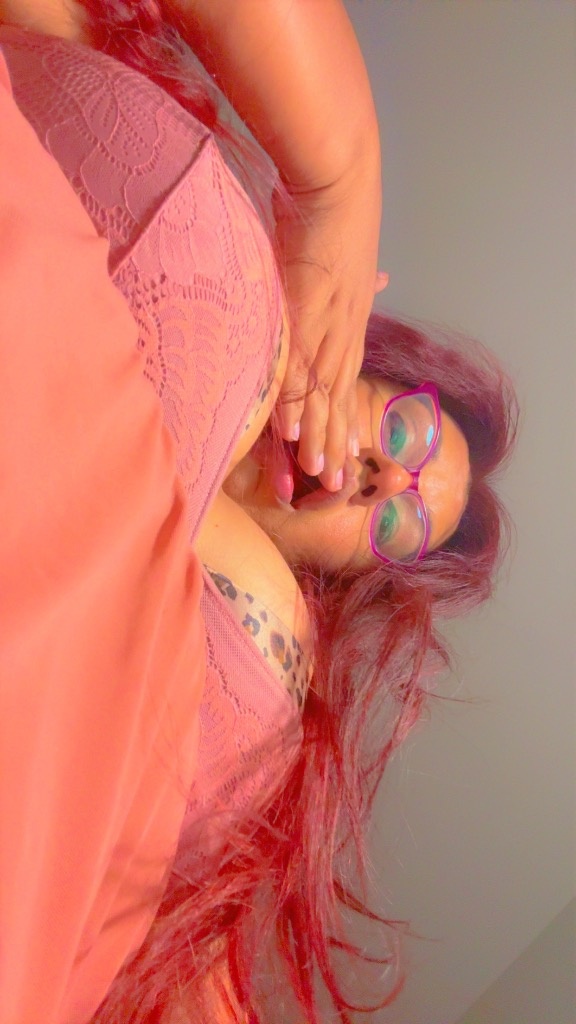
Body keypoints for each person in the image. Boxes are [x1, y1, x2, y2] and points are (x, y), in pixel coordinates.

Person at [0, 3, 518, 1023]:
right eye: (407, 434)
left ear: (349, 572)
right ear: (368, 355)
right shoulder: (240, 258)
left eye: (398, 524)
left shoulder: (261, 720)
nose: (382, 478)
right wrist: (342, 178)